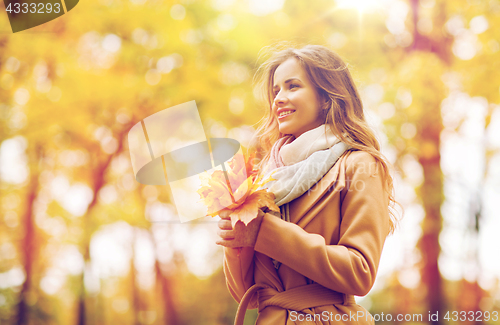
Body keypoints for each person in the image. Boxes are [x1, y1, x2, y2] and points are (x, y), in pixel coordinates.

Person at [216, 44, 400, 325]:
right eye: (276, 90)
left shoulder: (359, 165)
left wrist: (264, 232)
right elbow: (247, 295)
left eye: (292, 86)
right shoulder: (261, 177)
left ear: (326, 97)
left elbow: (359, 272)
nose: (279, 98)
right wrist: (237, 241)